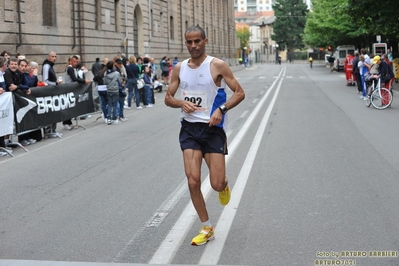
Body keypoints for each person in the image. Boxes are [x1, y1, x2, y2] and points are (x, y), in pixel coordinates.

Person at [164, 25, 245, 246]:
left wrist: (222, 109)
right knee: (193, 181)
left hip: (212, 130)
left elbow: (239, 93)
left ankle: (224, 184)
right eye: (189, 42)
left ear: (205, 41)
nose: (193, 46)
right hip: (189, 129)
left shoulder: (217, 65)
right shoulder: (180, 68)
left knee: (216, 184)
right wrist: (181, 102)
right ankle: (207, 227)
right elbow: (168, 98)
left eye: (197, 41)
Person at [42, 51, 62, 136]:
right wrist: (55, 83)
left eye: (55, 56)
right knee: (50, 111)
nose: (54, 58)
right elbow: (45, 80)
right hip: (48, 92)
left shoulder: (50, 65)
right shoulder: (46, 66)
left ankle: (53, 130)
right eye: (52, 56)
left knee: (54, 111)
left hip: (53, 92)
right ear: (48, 57)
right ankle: (48, 131)